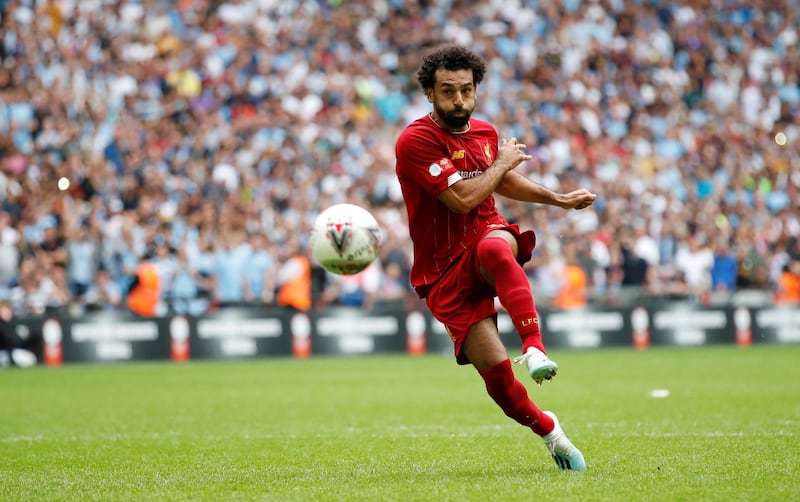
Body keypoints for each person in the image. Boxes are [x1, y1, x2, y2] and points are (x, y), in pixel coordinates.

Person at [395, 45, 597, 471]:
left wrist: (557, 199)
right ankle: (551, 432)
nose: (459, 101)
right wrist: (501, 163)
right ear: (429, 94)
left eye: (466, 90)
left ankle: (536, 349)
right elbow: (462, 198)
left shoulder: (484, 134)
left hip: (484, 237)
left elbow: (502, 183)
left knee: (493, 245)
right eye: (448, 92)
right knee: (501, 383)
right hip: (442, 271)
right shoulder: (416, 140)